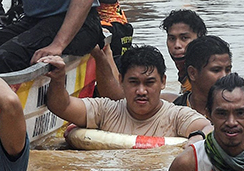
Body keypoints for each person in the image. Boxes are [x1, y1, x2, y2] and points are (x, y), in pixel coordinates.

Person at [43, 46, 211, 138]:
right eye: (133, 82)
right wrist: (58, 79)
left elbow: (208, 128)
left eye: (149, 83)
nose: (141, 91)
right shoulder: (106, 110)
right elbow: (61, 106)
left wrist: (195, 140)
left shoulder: (177, 116)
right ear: (121, 81)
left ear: (163, 82)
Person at [173, 35, 231, 116]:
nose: (224, 76)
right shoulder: (174, 112)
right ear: (192, 73)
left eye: (228, 70)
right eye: (216, 70)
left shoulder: (238, 108)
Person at [161, 9, 207, 93]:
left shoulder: (204, 78)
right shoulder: (185, 75)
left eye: (184, 38)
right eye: (172, 39)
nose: (177, 45)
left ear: (200, 38)